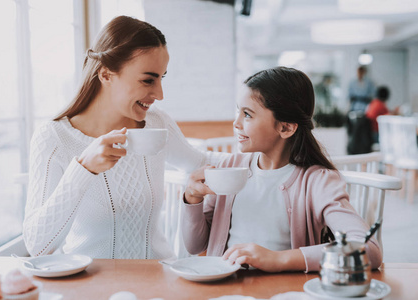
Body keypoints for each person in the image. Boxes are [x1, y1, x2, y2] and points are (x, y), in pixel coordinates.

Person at [23, 16, 224, 259]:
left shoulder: (156, 123)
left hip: (159, 279)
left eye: (162, 78)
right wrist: (83, 169)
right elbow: (37, 245)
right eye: (148, 80)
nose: (159, 94)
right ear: (106, 75)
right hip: (93, 286)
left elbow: (202, 163)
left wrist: (267, 156)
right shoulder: (54, 138)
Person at [181, 67, 382, 273]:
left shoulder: (318, 181)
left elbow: (368, 249)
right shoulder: (228, 168)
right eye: (238, 112)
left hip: (286, 291)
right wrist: (192, 200)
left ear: (286, 128)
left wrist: (278, 259)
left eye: (247, 115)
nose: (236, 123)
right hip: (226, 287)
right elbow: (195, 246)